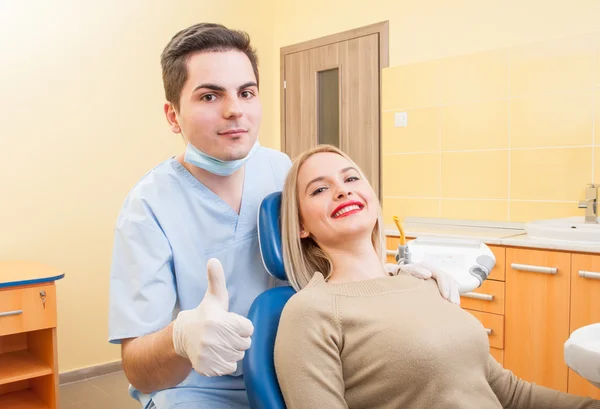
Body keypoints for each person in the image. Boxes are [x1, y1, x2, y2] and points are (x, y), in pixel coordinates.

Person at [107, 23, 456, 409]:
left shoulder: (280, 170)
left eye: (246, 92)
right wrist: (180, 339)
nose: (234, 110)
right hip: (199, 391)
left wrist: (389, 279)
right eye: (210, 96)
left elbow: (322, 259)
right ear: (173, 116)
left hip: (299, 367)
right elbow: (138, 369)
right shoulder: (148, 208)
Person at [273, 144, 600, 409]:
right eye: (319, 189)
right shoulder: (311, 312)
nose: (342, 191)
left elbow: (509, 393)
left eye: (351, 179)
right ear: (301, 226)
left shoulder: (424, 283)